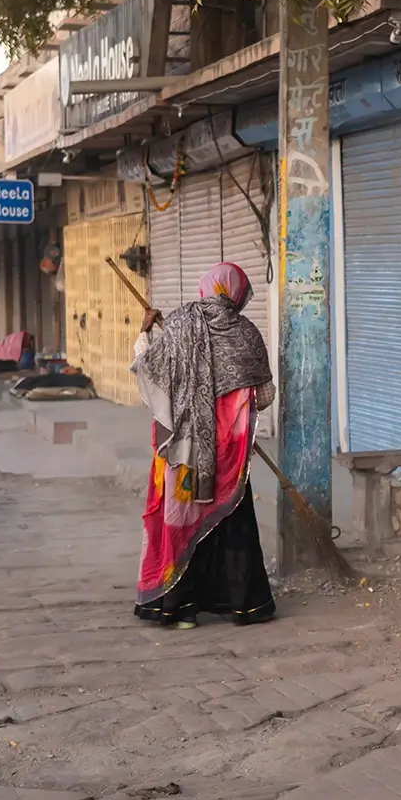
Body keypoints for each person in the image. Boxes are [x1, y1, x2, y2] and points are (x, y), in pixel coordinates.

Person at [130, 262, 277, 629]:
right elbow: (265, 396)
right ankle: (243, 605)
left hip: (185, 454)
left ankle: (180, 608)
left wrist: (146, 331)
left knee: (183, 520)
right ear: (237, 293)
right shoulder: (246, 333)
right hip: (229, 456)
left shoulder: (178, 326)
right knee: (232, 521)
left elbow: (147, 369)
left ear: (206, 289)